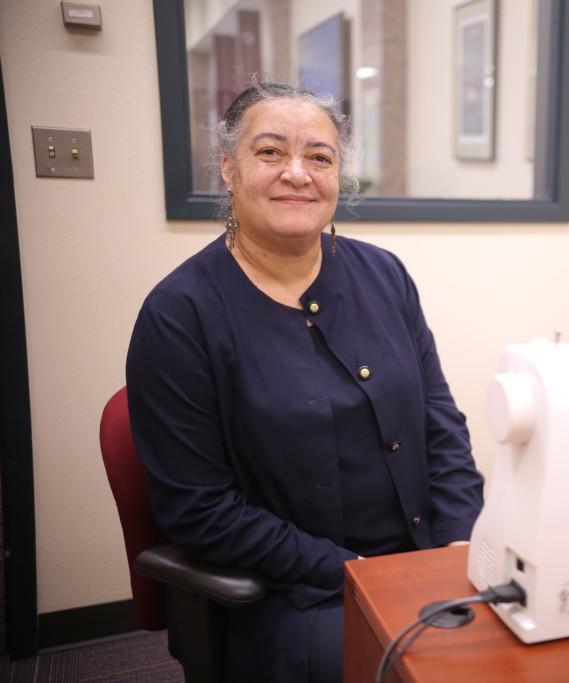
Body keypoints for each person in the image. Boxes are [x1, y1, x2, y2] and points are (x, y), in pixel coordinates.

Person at [126, 81, 485, 682]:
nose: (297, 173)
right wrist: (356, 574)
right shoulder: (179, 315)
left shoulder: (385, 275)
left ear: (338, 177)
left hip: (426, 563)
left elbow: (439, 421)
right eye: (270, 152)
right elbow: (200, 511)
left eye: (319, 157)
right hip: (292, 593)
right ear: (228, 171)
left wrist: (459, 543)